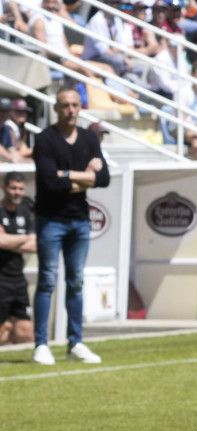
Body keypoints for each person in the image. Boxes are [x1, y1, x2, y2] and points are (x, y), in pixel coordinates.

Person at [31, 88, 108, 365]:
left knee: (75, 281)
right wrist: (85, 175)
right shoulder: (44, 140)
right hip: (51, 219)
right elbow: (50, 183)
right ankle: (41, 343)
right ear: (56, 108)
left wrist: (68, 177)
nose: (71, 110)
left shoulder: (89, 138)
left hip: (79, 220)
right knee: (48, 280)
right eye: (65, 105)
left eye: (75, 105)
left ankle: (75, 341)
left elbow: (104, 178)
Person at [0, 172, 35, 344]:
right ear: (4, 188)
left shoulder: (26, 210)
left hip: (18, 280)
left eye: (20, 189)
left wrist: (10, 240)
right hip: (1, 280)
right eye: (13, 188)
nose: (17, 192)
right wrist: (24, 238)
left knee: (26, 334)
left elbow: (37, 245)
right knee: (2, 333)